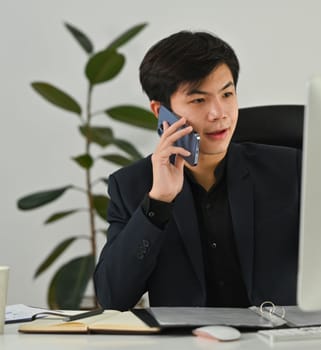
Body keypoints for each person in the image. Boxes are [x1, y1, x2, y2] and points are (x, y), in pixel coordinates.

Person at [93, 30, 301, 311]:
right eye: (199, 100)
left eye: (227, 94)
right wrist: (158, 202)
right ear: (161, 111)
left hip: (277, 338)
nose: (219, 113)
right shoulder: (132, 186)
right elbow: (113, 298)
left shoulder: (289, 170)